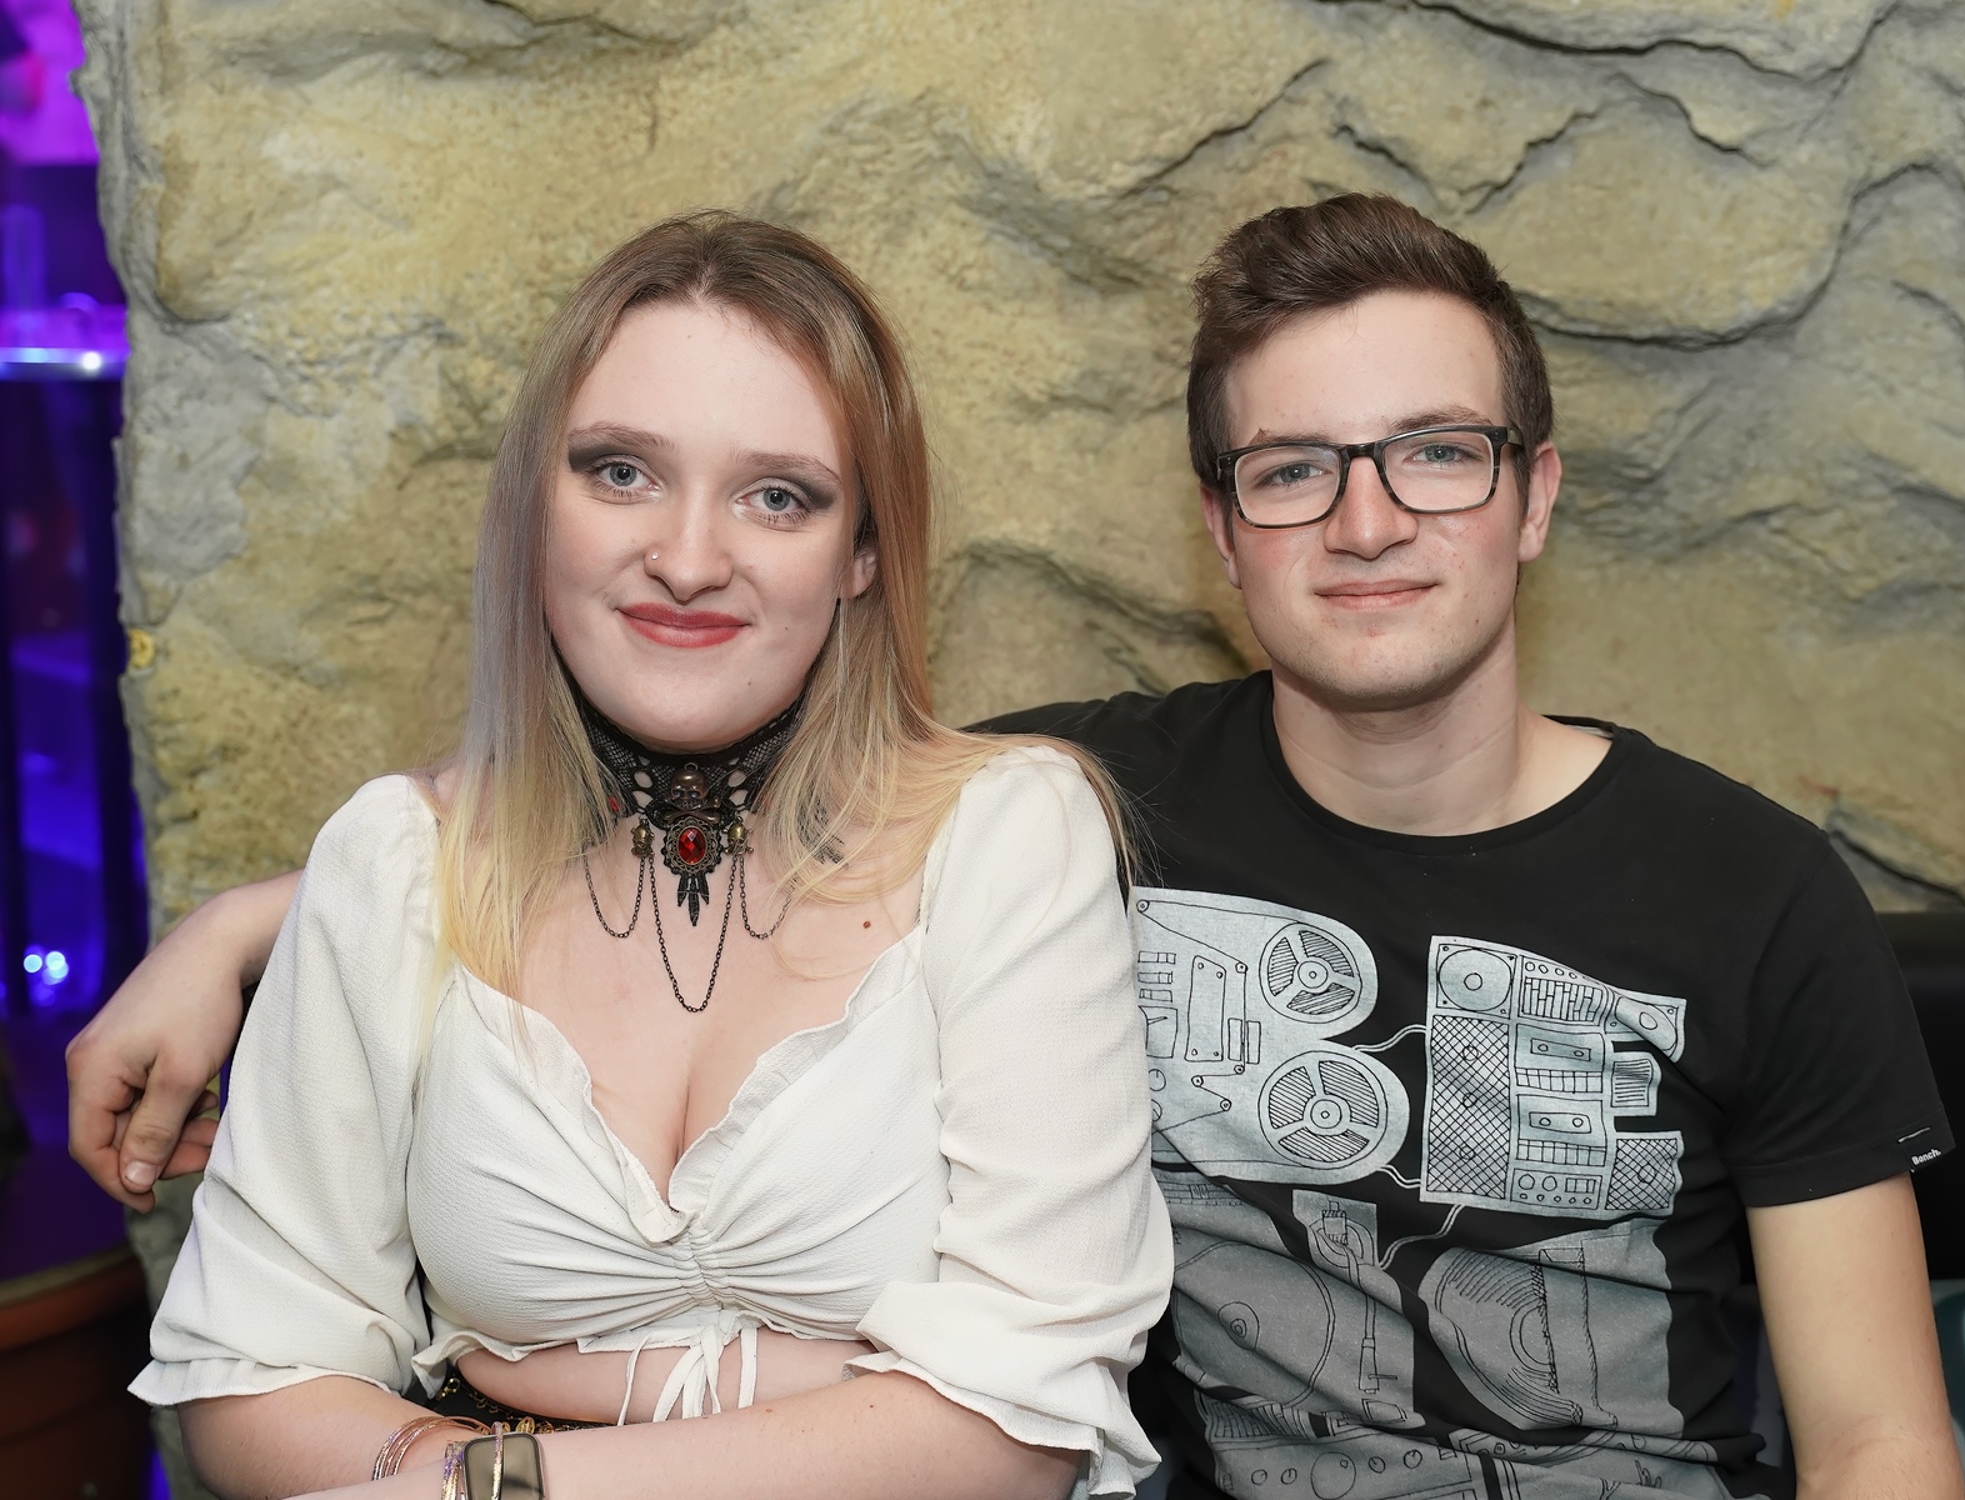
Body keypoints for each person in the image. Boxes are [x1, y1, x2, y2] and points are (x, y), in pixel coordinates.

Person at [70, 195, 1962, 1500]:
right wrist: (270, 920)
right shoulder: (1090, 797)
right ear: (1219, 534)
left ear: (1535, 496)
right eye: (1293, 470)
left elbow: (1883, 1442)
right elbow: (716, 787)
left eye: (1439, 453)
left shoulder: (1753, 895)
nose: (1368, 521)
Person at [99, 210, 1173, 1500]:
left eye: (777, 496)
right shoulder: (394, 866)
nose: (688, 559)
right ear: (535, 510)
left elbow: (1022, 1420)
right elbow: (245, 1377)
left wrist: (522, 1486)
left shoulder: (1011, 834)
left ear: (862, 556)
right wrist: (473, 1471)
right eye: (621, 473)